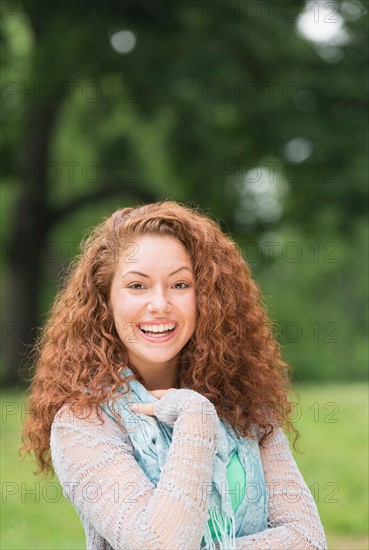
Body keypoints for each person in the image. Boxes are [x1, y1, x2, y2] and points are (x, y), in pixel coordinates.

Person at [21, 200, 327, 549]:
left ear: (207, 298)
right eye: (137, 286)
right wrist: (195, 417)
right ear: (106, 302)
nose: (160, 303)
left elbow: (307, 540)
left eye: (180, 285)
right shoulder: (81, 425)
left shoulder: (246, 408)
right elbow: (159, 544)